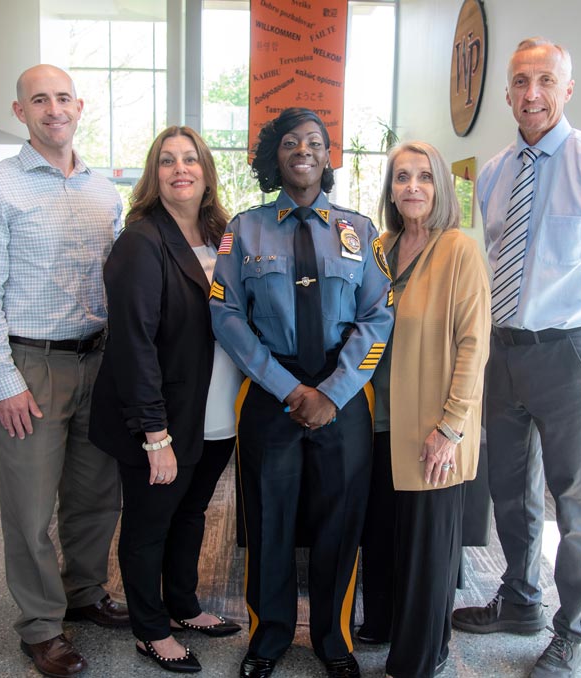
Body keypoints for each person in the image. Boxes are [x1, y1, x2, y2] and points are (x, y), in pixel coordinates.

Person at [450, 38, 581, 677]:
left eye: (543, 80)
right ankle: (520, 600)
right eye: (519, 81)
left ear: (567, 90)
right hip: (503, 353)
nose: (530, 93)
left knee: (576, 505)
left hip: (572, 354)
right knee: (509, 492)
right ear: (507, 92)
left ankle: (571, 630)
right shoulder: (493, 172)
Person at [0, 64, 128, 678]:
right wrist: (3, 379)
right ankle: (39, 626)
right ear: (19, 111)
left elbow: (121, 279)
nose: (53, 109)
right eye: (39, 100)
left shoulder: (104, 191)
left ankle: (83, 592)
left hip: (99, 358)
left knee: (94, 494)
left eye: (62, 98)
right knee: (30, 508)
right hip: (32, 364)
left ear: (79, 107)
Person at [209, 107, 393, 678]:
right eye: (291, 142)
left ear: (327, 155)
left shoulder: (360, 231)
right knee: (269, 519)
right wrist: (290, 389)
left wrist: (332, 393)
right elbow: (226, 314)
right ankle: (268, 637)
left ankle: (334, 639)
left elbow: (378, 316)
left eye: (315, 141)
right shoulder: (244, 228)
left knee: (342, 520)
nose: (304, 150)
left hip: (344, 394)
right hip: (270, 392)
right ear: (276, 156)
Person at [88, 126, 243, 674]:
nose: (182, 169)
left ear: (206, 170)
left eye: (192, 159)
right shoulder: (141, 240)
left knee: (192, 514)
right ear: (155, 174)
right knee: (151, 523)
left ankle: (183, 605)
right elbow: (133, 345)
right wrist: (155, 435)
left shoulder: (223, 232)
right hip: (163, 418)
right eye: (168, 161)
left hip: (218, 410)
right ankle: (149, 629)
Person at [356, 141, 491, 678]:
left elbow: (473, 345)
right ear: (390, 190)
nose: (412, 187)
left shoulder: (459, 249)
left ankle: (418, 656)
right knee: (384, 536)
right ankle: (384, 623)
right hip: (379, 419)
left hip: (433, 426)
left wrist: (450, 428)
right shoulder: (382, 246)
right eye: (401, 177)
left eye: (424, 177)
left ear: (440, 187)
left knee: (425, 551)